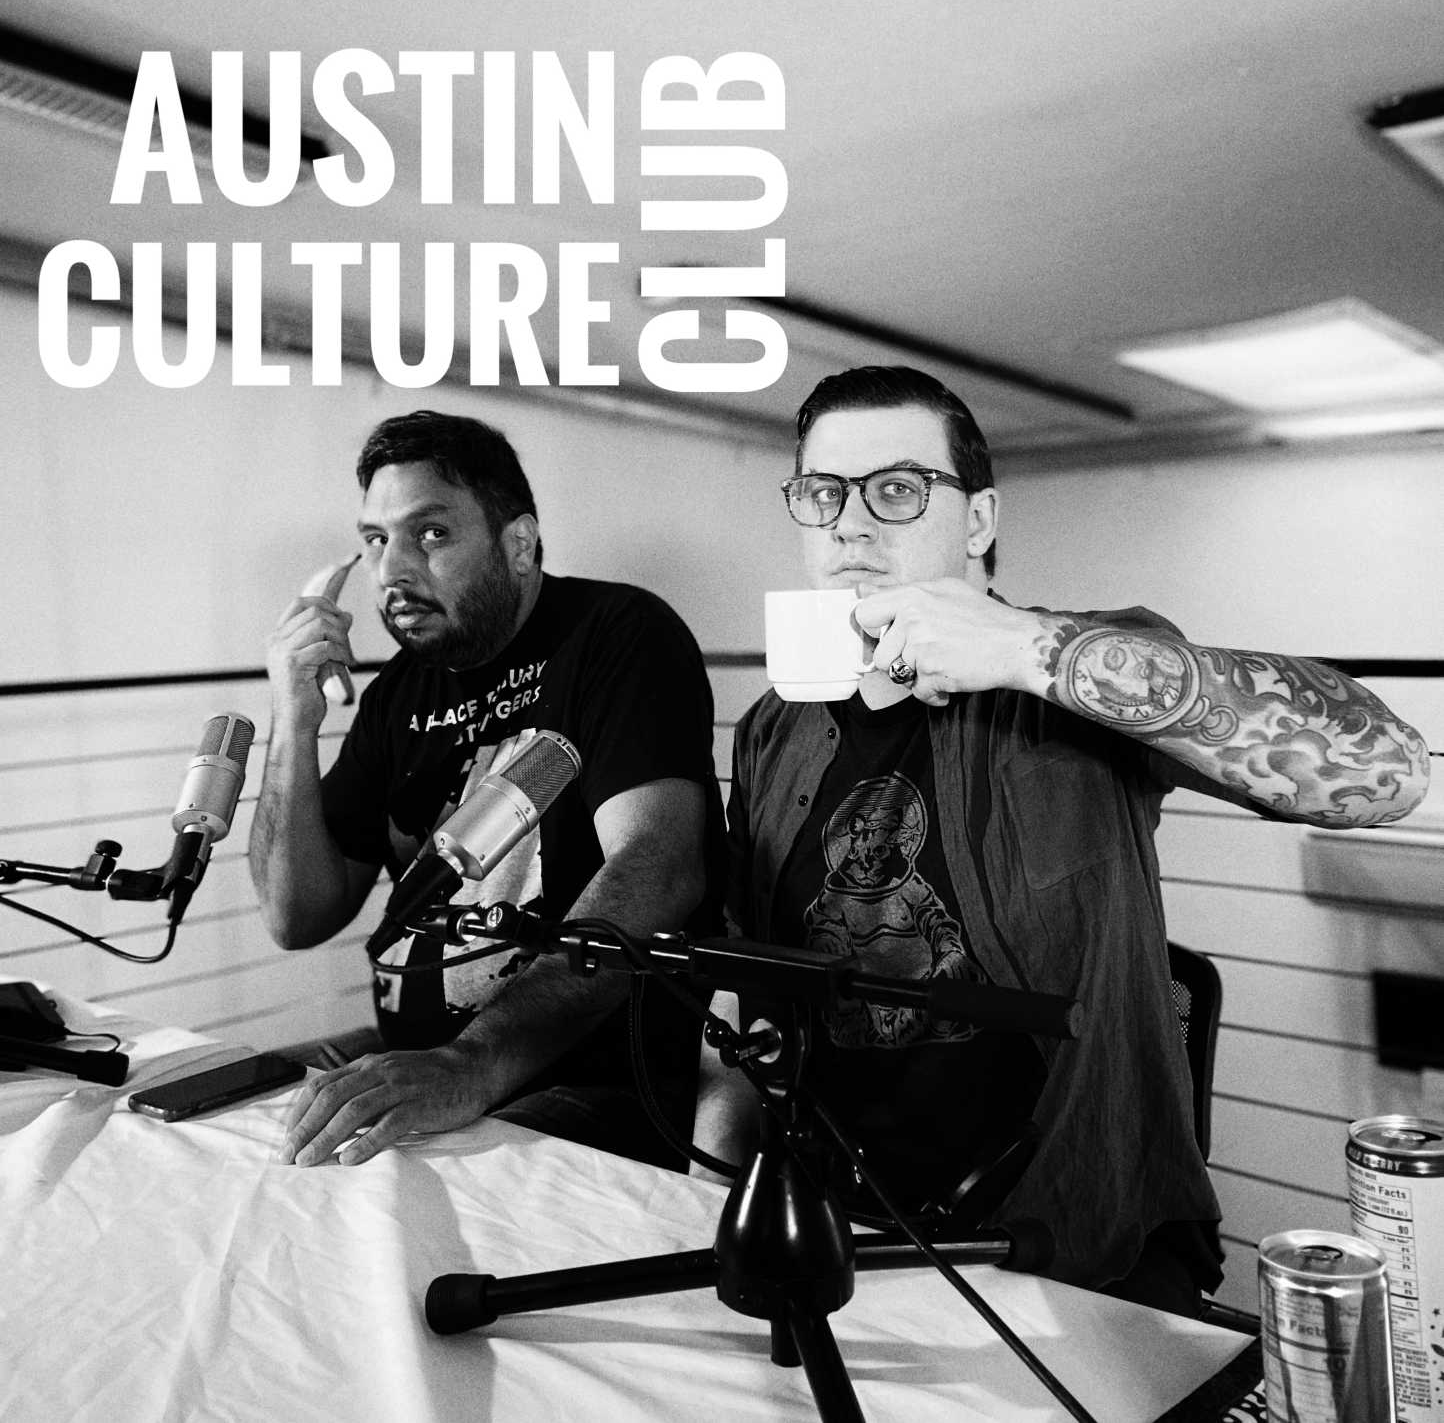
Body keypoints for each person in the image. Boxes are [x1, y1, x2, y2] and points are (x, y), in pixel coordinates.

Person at [692, 364, 1430, 1315]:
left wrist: (1025, 650)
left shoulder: (1087, 671)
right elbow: (748, 995)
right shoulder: (771, 729)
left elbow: (1387, 772)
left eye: (898, 489)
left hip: (1076, 1242)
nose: (851, 525)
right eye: (823, 492)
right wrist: (706, 1190)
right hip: (836, 1236)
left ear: (979, 521)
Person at [251, 410, 723, 1172]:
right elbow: (295, 916)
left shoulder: (617, 631)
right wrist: (292, 719)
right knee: (243, 1115)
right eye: (375, 540)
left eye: (431, 533)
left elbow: (659, 866)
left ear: (520, 544)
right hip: (423, 1061)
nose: (392, 570)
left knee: (372, 1188)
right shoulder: (397, 693)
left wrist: (473, 1064)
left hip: (582, 1073)